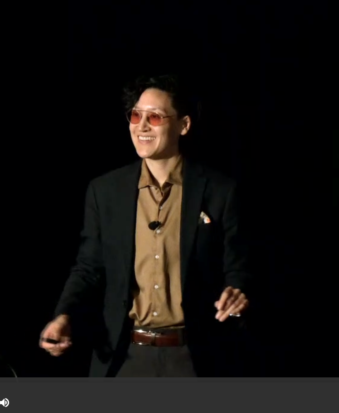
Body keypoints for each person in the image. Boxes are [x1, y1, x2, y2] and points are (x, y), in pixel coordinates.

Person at [39, 74, 251, 377]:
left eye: (155, 117)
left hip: (194, 359)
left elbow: (238, 267)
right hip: (124, 357)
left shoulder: (219, 191)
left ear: (184, 125)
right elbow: (88, 266)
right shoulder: (105, 191)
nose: (142, 125)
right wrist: (63, 314)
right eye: (136, 115)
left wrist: (238, 292)